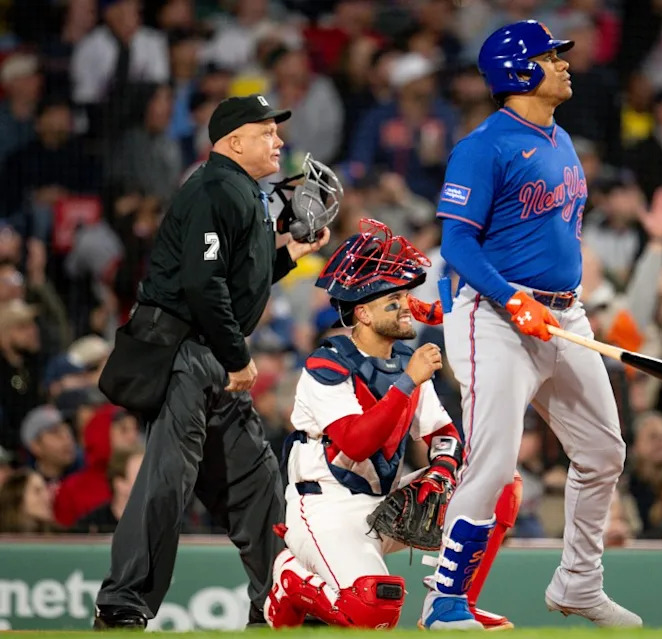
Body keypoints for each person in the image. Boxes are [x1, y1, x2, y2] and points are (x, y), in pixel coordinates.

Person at [418, 20, 643, 629]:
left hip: (562, 313)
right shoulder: (482, 146)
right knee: (492, 462)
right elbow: (457, 245)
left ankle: (578, 583)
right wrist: (510, 296)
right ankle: (445, 602)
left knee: (602, 451)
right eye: (550, 56)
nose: (564, 63)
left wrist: (555, 300)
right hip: (493, 317)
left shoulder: (560, 138)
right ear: (518, 71)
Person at [92, 94, 332, 629]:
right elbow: (203, 286)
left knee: (256, 484)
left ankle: (277, 603)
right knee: (167, 481)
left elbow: (238, 282)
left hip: (209, 355)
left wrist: (289, 254)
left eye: (277, 132)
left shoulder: (240, 191)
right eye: (267, 132)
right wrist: (237, 356)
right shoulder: (213, 187)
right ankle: (121, 605)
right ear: (233, 141)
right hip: (187, 354)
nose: (279, 142)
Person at [263, 219, 518, 630]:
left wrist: (441, 469)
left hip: (384, 505)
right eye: (393, 299)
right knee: (376, 608)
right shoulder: (326, 364)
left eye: (404, 295)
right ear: (362, 312)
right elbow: (355, 442)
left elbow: (444, 434)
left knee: (500, 481)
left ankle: (453, 604)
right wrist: (408, 381)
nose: (406, 306)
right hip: (326, 506)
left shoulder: (403, 362)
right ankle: (291, 578)